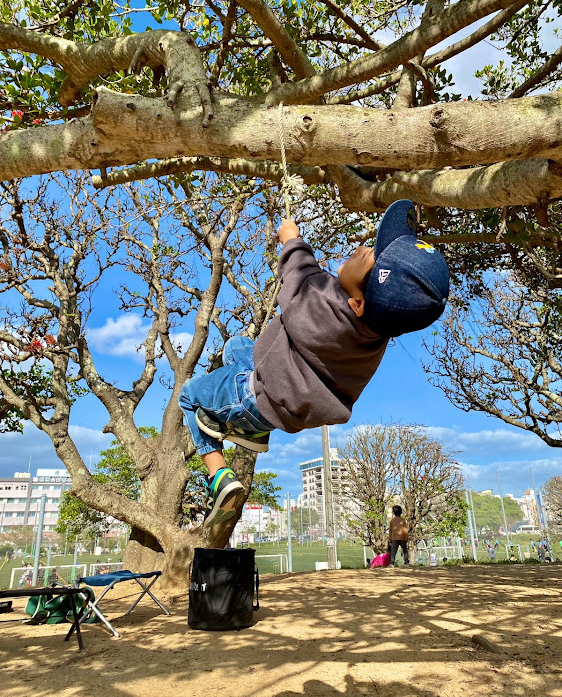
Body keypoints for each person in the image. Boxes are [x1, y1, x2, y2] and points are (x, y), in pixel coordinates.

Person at [179, 200, 449, 526]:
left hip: (255, 394)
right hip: (287, 394)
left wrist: (291, 239)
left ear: (357, 303)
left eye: (368, 259)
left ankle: (218, 474)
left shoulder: (325, 309)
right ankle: (248, 430)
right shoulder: (374, 332)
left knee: (190, 395)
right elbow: (320, 284)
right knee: (236, 347)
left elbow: (301, 273)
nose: (362, 249)